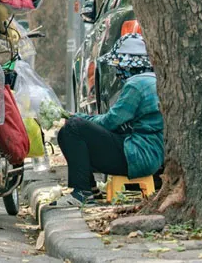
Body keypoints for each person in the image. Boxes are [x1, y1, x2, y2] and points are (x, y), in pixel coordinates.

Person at [56, 32, 164, 205]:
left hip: (137, 156)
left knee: (73, 128)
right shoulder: (156, 80)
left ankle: (81, 193)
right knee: (68, 132)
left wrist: (80, 118)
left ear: (128, 66)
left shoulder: (137, 85)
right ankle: (90, 189)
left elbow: (111, 122)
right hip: (153, 157)